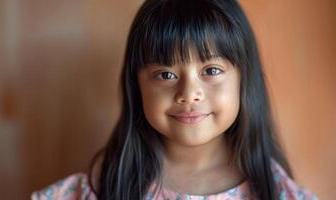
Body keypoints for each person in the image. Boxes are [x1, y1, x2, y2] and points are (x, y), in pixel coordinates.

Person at [31, 0, 318, 199]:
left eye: (212, 70)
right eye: (166, 75)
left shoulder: (274, 190)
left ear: (244, 79)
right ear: (138, 85)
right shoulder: (110, 181)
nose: (188, 93)